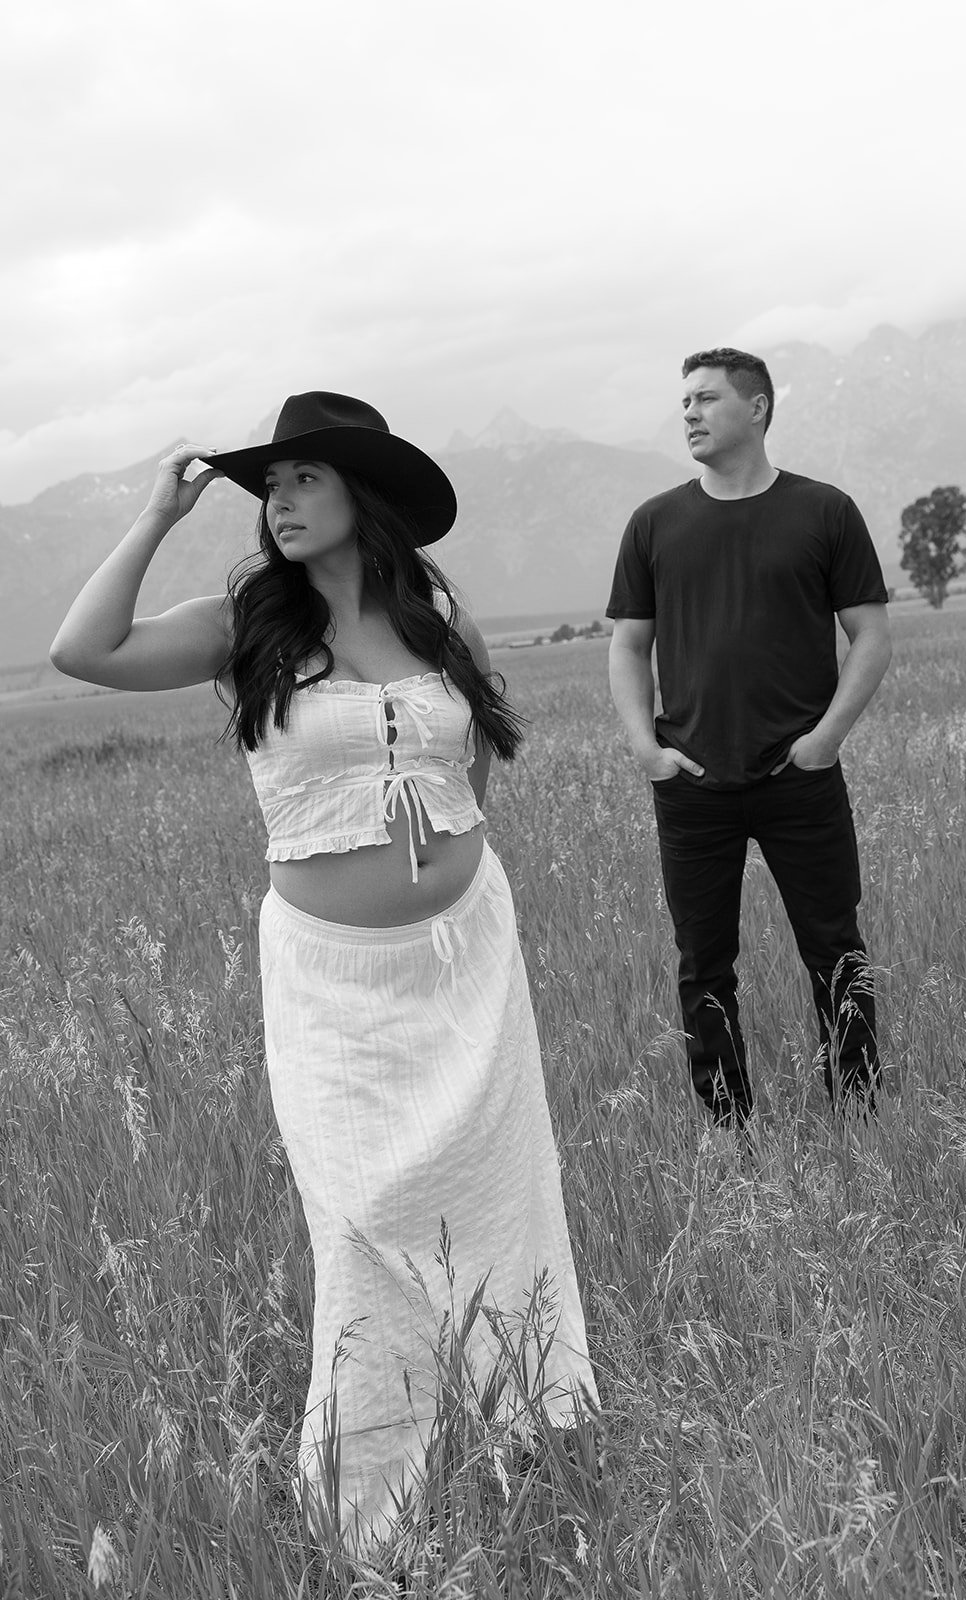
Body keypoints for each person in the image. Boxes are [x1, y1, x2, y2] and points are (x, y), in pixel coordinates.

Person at [50, 390, 598, 1547]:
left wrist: (453, 890)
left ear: (365, 492)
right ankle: (369, 1520)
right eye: (272, 483)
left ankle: (507, 1451)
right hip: (334, 986)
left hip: (466, 967)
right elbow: (81, 649)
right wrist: (154, 514)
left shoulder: (441, 627)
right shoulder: (245, 622)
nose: (280, 499)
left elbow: (474, 774)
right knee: (358, 1226)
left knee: (497, 1214)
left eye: (305, 477)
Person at [607, 349, 891, 1126]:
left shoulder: (824, 512)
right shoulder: (654, 523)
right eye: (684, 402)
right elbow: (628, 647)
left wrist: (824, 741)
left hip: (799, 778)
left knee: (834, 948)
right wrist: (647, 750)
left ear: (757, 408)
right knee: (702, 964)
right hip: (691, 784)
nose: (689, 413)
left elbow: (869, 636)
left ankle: (859, 1113)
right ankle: (729, 1127)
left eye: (705, 399)